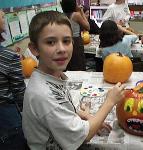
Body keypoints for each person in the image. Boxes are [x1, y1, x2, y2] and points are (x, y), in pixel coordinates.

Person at [22, 11, 125, 150]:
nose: (62, 49)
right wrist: (110, 101)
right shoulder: (43, 95)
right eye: (50, 42)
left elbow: (61, 108)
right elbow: (85, 135)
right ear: (35, 48)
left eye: (66, 41)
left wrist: (86, 116)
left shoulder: (51, 77)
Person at [0, 10, 27, 149]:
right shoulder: (9, 57)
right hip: (7, 121)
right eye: (2, 16)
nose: (4, 18)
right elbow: (21, 96)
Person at [60, 0, 90, 71]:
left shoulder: (61, 15)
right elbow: (87, 27)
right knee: (78, 65)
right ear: (73, 4)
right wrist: (81, 11)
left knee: (69, 64)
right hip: (76, 42)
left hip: (65, 42)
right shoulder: (76, 15)